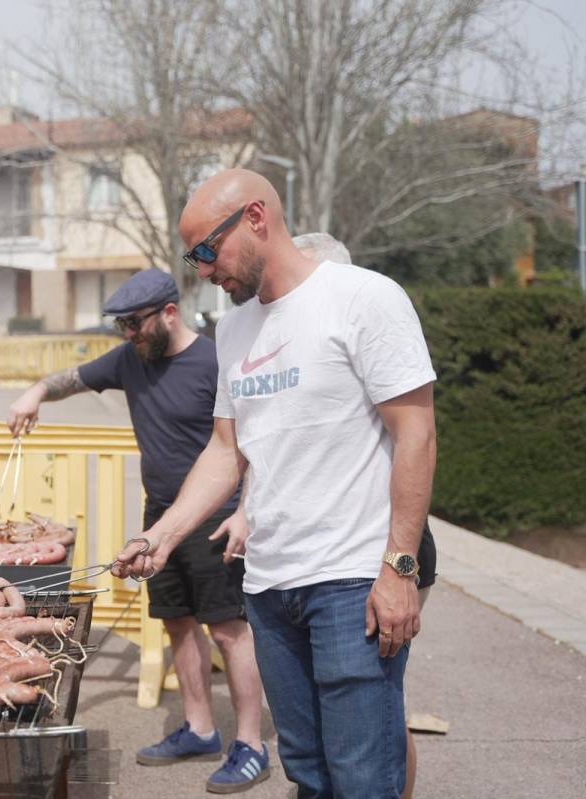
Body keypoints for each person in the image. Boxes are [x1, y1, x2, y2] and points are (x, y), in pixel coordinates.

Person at [113, 169, 437, 799]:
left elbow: (416, 435)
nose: (202, 270)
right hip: (269, 588)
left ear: (256, 219)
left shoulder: (364, 298)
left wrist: (399, 567)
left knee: (364, 779)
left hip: (350, 584)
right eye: (192, 257)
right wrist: (163, 536)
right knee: (310, 776)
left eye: (208, 250)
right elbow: (227, 450)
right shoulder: (233, 331)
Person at [8, 269, 270, 794]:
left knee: (227, 630)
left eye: (134, 322)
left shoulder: (215, 361)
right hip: (159, 515)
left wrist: (248, 511)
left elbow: (254, 442)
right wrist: (35, 392)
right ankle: (199, 728)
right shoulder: (131, 359)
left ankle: (251, 744)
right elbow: (75, 379)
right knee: (176, 621)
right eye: (122, 324)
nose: (127, 333)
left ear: (169, 313)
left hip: (215, 514)